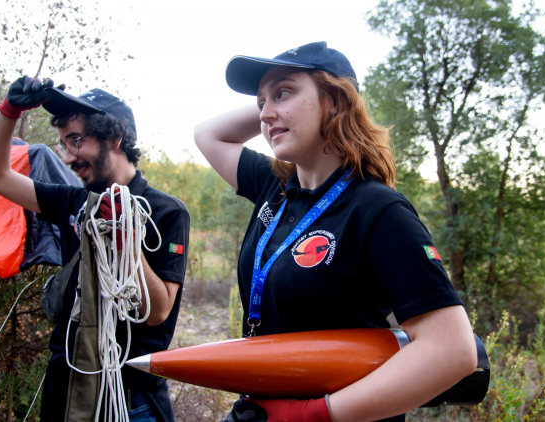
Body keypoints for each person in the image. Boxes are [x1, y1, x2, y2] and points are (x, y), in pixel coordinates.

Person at [193, 42, 477, 422]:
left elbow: (452, 351)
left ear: (336, 100)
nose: (266, 114)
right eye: (261, 103)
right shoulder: (273, 184)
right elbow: (208, 134)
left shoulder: (378, 209)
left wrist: (317, 414)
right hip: (259, 409)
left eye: (283, 92)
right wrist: (275, 102)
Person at [0, 76, 190, 421]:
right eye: (63, 144)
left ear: (114, 138)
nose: (68, 157)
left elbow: (158, 312)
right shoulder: (75, 201)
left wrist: (126, 243)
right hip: (66, 384)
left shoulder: (165, 211)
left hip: (128, 398)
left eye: (76, 141)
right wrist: (9, 111)